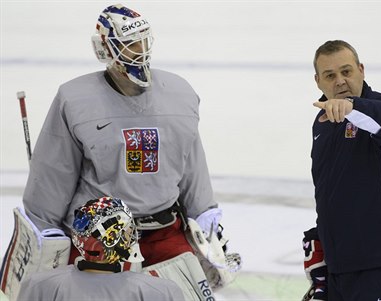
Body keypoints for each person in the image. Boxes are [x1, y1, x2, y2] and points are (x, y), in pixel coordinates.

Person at [16, 3, 238, 299]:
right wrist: (44, 225)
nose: (139, 50)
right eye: (129, 43)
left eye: (142, 41)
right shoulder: (75, 99)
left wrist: (204, 209)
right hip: (99, 242)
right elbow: (55, 170)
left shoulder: (180, 92)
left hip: (164, 231)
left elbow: (191, 160)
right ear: (105, 48)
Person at [303, 40, 381, 301]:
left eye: (347, 71)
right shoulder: (322, 125)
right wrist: (321, 243)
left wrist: (353, 107)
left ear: (361, 70)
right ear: (318, 81)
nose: (340, 81)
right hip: (340, 269)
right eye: (330, 75)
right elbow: (332, 191)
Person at [16, 197, 185, 301]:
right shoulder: (161, 291)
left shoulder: (39, 285)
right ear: (113, 239)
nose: (133, 235)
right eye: (127, 230)